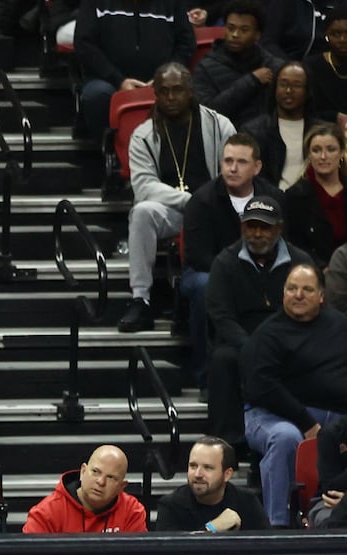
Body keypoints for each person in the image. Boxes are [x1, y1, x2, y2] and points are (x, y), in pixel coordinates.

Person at [119, 63, 237, 332]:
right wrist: (189, 200)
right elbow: (143, 186)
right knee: (142, 212)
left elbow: (233, 173)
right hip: (170, 210)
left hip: (213, 210)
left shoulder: (220, 126)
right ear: (156, 95)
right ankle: (141, 299)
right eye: (163, 92)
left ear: (190, 91)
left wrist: (204, 201)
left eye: (177, 90)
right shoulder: (144, 134)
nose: (171, 98)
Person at [242, 262, 347, 525]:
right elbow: (262, 387)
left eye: (307, 289)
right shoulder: (267, 334)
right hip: (272, 416)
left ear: (322, 296)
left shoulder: (340, 325)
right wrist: (306, 423)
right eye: (292, 288)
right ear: (283, 294)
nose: (298, 295)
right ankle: (276, 528)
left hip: (336, 417)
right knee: (285, 438)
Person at [204, 195, 312, 439]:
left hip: (288, 341)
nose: (257, 233)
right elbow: (221, 315)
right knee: (223, 360)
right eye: (252, 226)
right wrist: (252, 347)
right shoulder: (225, 262)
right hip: (241, 344)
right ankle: (226, 443)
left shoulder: (300, 262)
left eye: (265, 227)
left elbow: (311, 308)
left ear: (279, 228)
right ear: (242, 227)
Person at [180, 134, 283, 382]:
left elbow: (283, 244)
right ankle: (205, 374)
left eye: (241, 162)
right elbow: (197, 255)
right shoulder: (201, 201)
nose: (232, 168)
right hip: (207, 271)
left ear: (257, 167)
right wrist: (237, 275)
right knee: (206, 286)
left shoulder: (274, 198)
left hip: (263, 267)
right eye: (227, 161)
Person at [73, 0, 193, 136]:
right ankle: (109, 147)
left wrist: (163, 78)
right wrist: (119, 81)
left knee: (189, 95)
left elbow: (186, 43)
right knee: (96, 95)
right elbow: (84, 44)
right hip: (109, 80)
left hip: (162, 82)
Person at [191, 0, 283, 127]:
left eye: (244, 30)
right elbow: (207, 115)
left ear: (257, 35)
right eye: (231, 28)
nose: (235, 35)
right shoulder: (206, 67)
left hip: (265, 140)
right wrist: (251, 81)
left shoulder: (273, 67)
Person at [23, 444, 149, 533]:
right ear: (83, 472)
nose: (101, 481)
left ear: (121, 487)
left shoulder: (132, 512)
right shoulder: (46, 513)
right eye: (95, 471)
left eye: (111, 477)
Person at [152, 436, 270, 531]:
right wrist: (211, 528)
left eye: (207, 468)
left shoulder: (247, 502)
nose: (198, 474)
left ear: (227, 474)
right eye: (193, 466)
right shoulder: (171, 505)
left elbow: (267, 551)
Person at [243, 63, 326, 189]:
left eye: (297, 85)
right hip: (270, 202)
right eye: (283, 84)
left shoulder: (321, 131)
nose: (288, 91)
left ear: (307, 91)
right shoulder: (253, 131)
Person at [282, 122, 347, 264]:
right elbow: (294, 246)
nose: (323, 156)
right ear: (309, 155)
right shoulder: (295, 196)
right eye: (316, 150)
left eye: (331, 149)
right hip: (313, 273)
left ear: (342, 152)